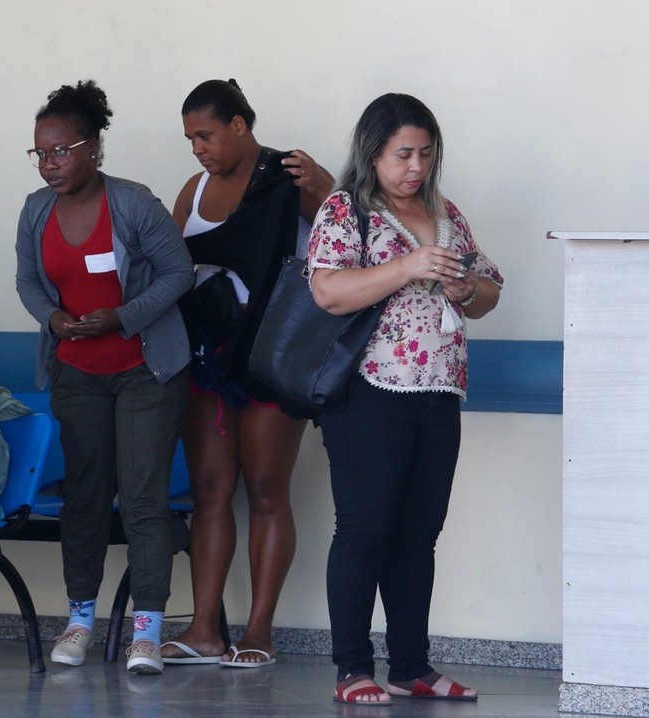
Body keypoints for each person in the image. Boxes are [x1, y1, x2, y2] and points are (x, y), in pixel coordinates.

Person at [308, 93, 503, 705]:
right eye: (402, 154)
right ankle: (352, 668)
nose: (415, 166)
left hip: (439, 392)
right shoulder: (347, 209)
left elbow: (490, 291)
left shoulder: (446, 212)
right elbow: (328, 291)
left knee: (420, 534)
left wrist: (466, 284)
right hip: (369, 393)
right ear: (373, 153)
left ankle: (411, 665)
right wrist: (409, 265)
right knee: (365, 529)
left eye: (424, 153)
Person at [15, 80, 193, 675]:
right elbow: (28, 282)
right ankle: (80, 620)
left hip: (146, 369)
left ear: (93, 148)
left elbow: (179, 273)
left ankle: (147, 630)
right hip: (77, 374)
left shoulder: (134, 203)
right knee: (85, 499)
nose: (50, 164)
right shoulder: (35, 209)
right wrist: (53, 317)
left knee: (143, 498)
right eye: (41, 153)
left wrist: (122, 316)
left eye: (61, 150)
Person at [160, 79, 335, 668]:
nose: (198, 149)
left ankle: (260, 630)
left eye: (205, 135)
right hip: (208, 359)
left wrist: (327, 187)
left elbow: (346, 237)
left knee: (264, 490)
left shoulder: (292, 175)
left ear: (239, 125)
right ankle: (204, 628)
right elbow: (168, 268)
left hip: (273, 360)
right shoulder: (195, 188)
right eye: (190, 139)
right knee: (210, 491)